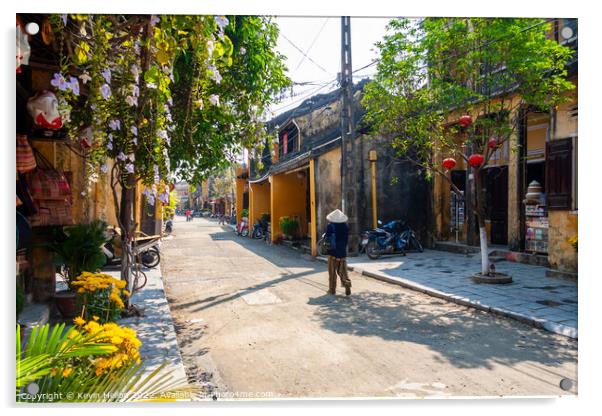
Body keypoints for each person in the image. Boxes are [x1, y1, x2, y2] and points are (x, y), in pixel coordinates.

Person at [324, 209, 351, 296]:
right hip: (342, 251)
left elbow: (327, 238)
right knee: (342, 271)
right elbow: (346, 240)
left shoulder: (330, 226)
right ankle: (346, 283)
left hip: (332, 252)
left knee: (332, 272)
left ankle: (332, 290)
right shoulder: (345, 227)